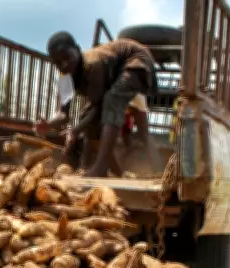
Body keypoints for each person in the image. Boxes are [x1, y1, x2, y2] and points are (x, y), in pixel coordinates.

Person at [34, 32, 160, 177]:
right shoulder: (65, 77)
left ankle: (100, 168)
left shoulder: (93, 64)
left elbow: (100, 107)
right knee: (86, 118)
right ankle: (116, 172)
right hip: (114, 78)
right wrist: (48, 124)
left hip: (136, 60)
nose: (64, 65)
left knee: (112, 100)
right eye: (58, 63)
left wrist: (75, 130)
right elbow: (63, 114)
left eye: (67, 57)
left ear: (77, 49)